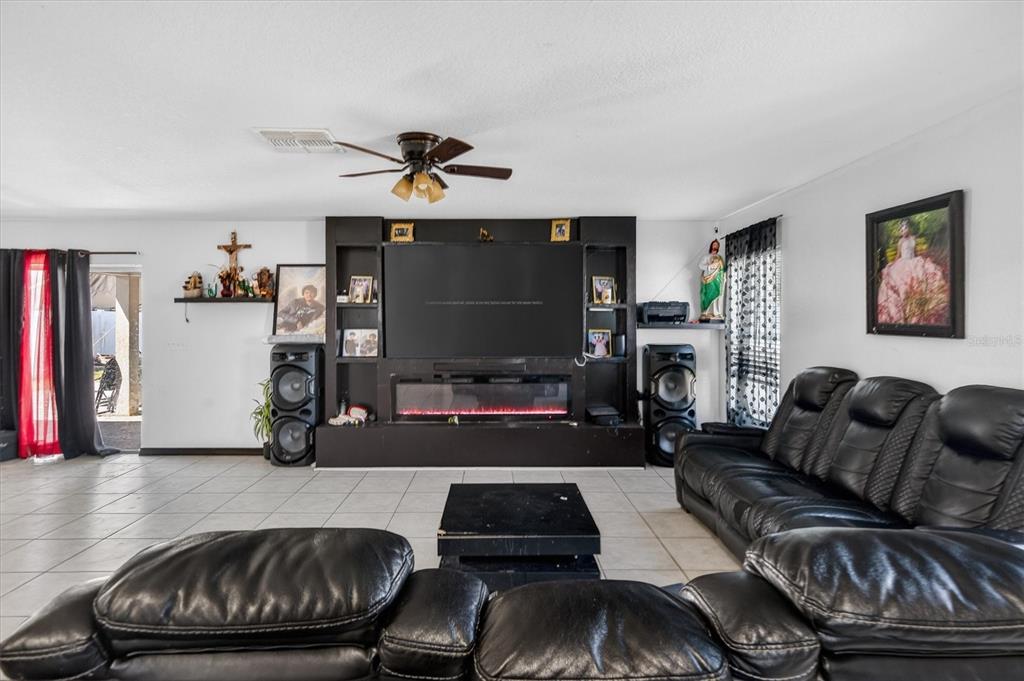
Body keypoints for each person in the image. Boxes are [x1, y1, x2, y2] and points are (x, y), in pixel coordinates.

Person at [877, 219, 948, 325]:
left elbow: (915, 252)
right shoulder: (901, 241)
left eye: (905, 229)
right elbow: (898, 255)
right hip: (903, 262)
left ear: (908, 229)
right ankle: (904, 303)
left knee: (919, 279)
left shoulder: (913, 238)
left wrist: (921, 260)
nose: (903, 231)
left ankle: (918, 304)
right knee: (903, 282)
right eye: (902, 230)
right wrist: (893, 264)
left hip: (913, 261)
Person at [699, 239, 726, 321]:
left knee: (718, 295)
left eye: (717, 245)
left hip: (718, 279)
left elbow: (723, 269)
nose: (715, 246)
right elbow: (700, 265)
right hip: (708, 279)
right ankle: (705, 312)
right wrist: (709, 266)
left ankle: (716, 313)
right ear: (711, 246)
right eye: (714, 244)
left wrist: (724, 277)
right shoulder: (706, 257)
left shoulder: (720, 257)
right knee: (708, 295)